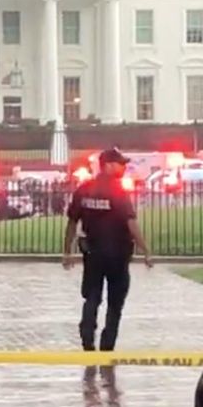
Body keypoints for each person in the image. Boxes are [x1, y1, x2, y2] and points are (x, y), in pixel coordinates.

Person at [63, 148, 154, 351]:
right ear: (108, 165)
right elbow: (131, 223)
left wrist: (67, 251)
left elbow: (71, 222)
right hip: (118, 255)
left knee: (92, 297)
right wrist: (146, 250)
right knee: (115, 303)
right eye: (120, 164)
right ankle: (107, 347)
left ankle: (87, 334)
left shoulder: (84, 190)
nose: (124, 167)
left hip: (92, 253)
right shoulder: (118, 191)